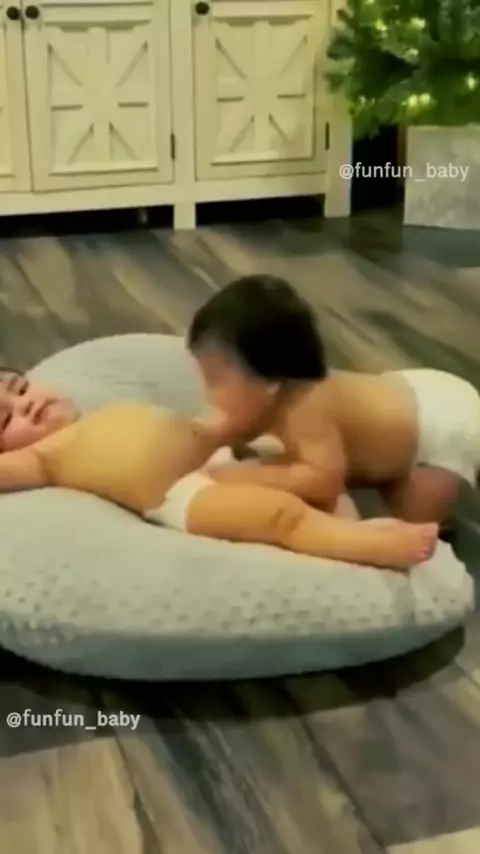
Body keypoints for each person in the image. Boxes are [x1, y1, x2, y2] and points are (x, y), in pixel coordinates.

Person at [0, 365, 436, 570]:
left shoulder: (105, 409)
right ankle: (369, 548)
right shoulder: (42, 456)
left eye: (19, 388)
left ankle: (348, 528)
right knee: (279, 515)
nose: (26, 404)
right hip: (181, 496)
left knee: (299, 474)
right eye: (5, 419)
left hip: (210, 460)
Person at [187, 274, 480, 527]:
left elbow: (324, 481)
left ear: (270, 381)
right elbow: (239, 429)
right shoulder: (273, 395)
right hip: (408, 392)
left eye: (214, 380)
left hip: (440, 426)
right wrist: (203, 440)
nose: (206, 390)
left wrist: (240, 476)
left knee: (408, 531)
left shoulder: (305, 407)